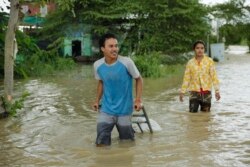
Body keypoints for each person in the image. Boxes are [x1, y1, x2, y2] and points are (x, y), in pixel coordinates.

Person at [92, 33, 143, 146]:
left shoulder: (126, 62)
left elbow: (139, 79)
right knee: (101, 143)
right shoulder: (97, 65)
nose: (115, 49)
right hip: (106, 109)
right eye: (111, 46)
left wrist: (138, 100)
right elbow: (101, 82)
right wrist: (96, 100)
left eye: (116, 45)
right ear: (102, 49)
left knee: (127, 144)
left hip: (124, 110)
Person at [179, 40, 221, 113]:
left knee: (205, 116)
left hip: (206, 93)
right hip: (194, 93)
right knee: (192, 115)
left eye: (202, 48)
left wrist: (217, 91)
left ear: (204, 49)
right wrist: (182, 92)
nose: (200, 50)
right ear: (194, 49)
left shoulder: (209, 61)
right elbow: (186, 78)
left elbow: (214, 77)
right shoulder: (190, 63)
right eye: (197, 48)